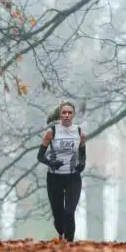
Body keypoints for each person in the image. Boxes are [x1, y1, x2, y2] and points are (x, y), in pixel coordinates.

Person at [37, 100, 86, 242]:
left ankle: (70, 245)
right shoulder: (51, 132)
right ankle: (60, 232)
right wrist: (51, 162)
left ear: (74, 115)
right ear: (60, 114)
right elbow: (40, 156)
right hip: (54, 177)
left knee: (69, 212)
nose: (67, 115)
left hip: (73, 178)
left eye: (70, 112)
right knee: (58, 215)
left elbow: (82, 155)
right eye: (64, 112)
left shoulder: (80, 133)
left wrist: (82, 164)